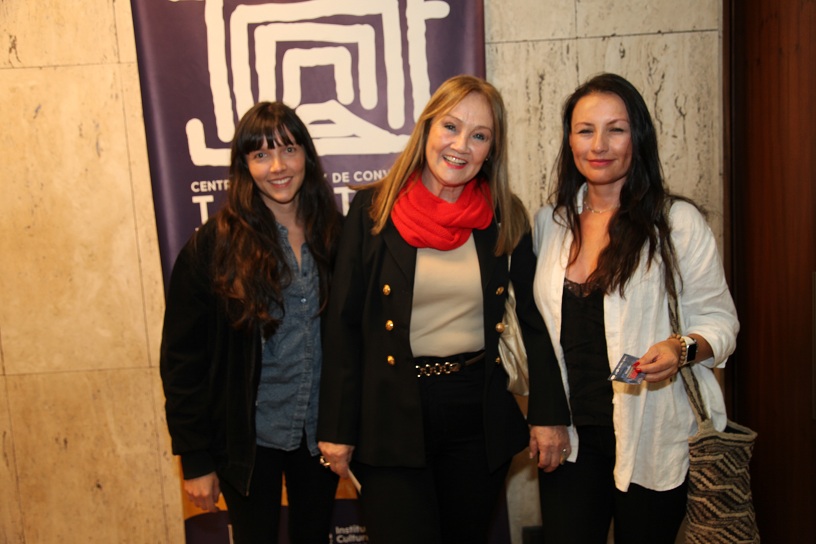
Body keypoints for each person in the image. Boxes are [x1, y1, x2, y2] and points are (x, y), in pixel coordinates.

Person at [316, 74, 569, 544]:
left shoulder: (505, 215)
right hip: (389, 412)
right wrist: (335, 428)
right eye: (451, 127)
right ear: (427, 128)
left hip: (477, 413)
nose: (461, 146)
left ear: (492, 149)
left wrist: (548, 413)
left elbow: (535, 324)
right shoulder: (373, 210)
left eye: (479, 135)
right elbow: (344, 328)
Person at [528, 72, 740, 543]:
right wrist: (544, 413)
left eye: (616, 129)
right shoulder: (550, 224)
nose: (599, 145)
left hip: (653, 435)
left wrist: (680, 348)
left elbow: (722, 322)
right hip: (569, 439)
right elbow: (535, 332)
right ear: (570, 140)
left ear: (638, 137)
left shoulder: (676, 223)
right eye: (586, 130)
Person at [160, 101, 343, 543]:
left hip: (321, 434)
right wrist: (196, 458)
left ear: (307, 156)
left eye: (289, 149)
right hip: (248, 438)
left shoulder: (337, 235)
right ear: (244, 166)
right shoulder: (214, 246)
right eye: (261, 154)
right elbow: (183, 361)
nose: (278, 167)